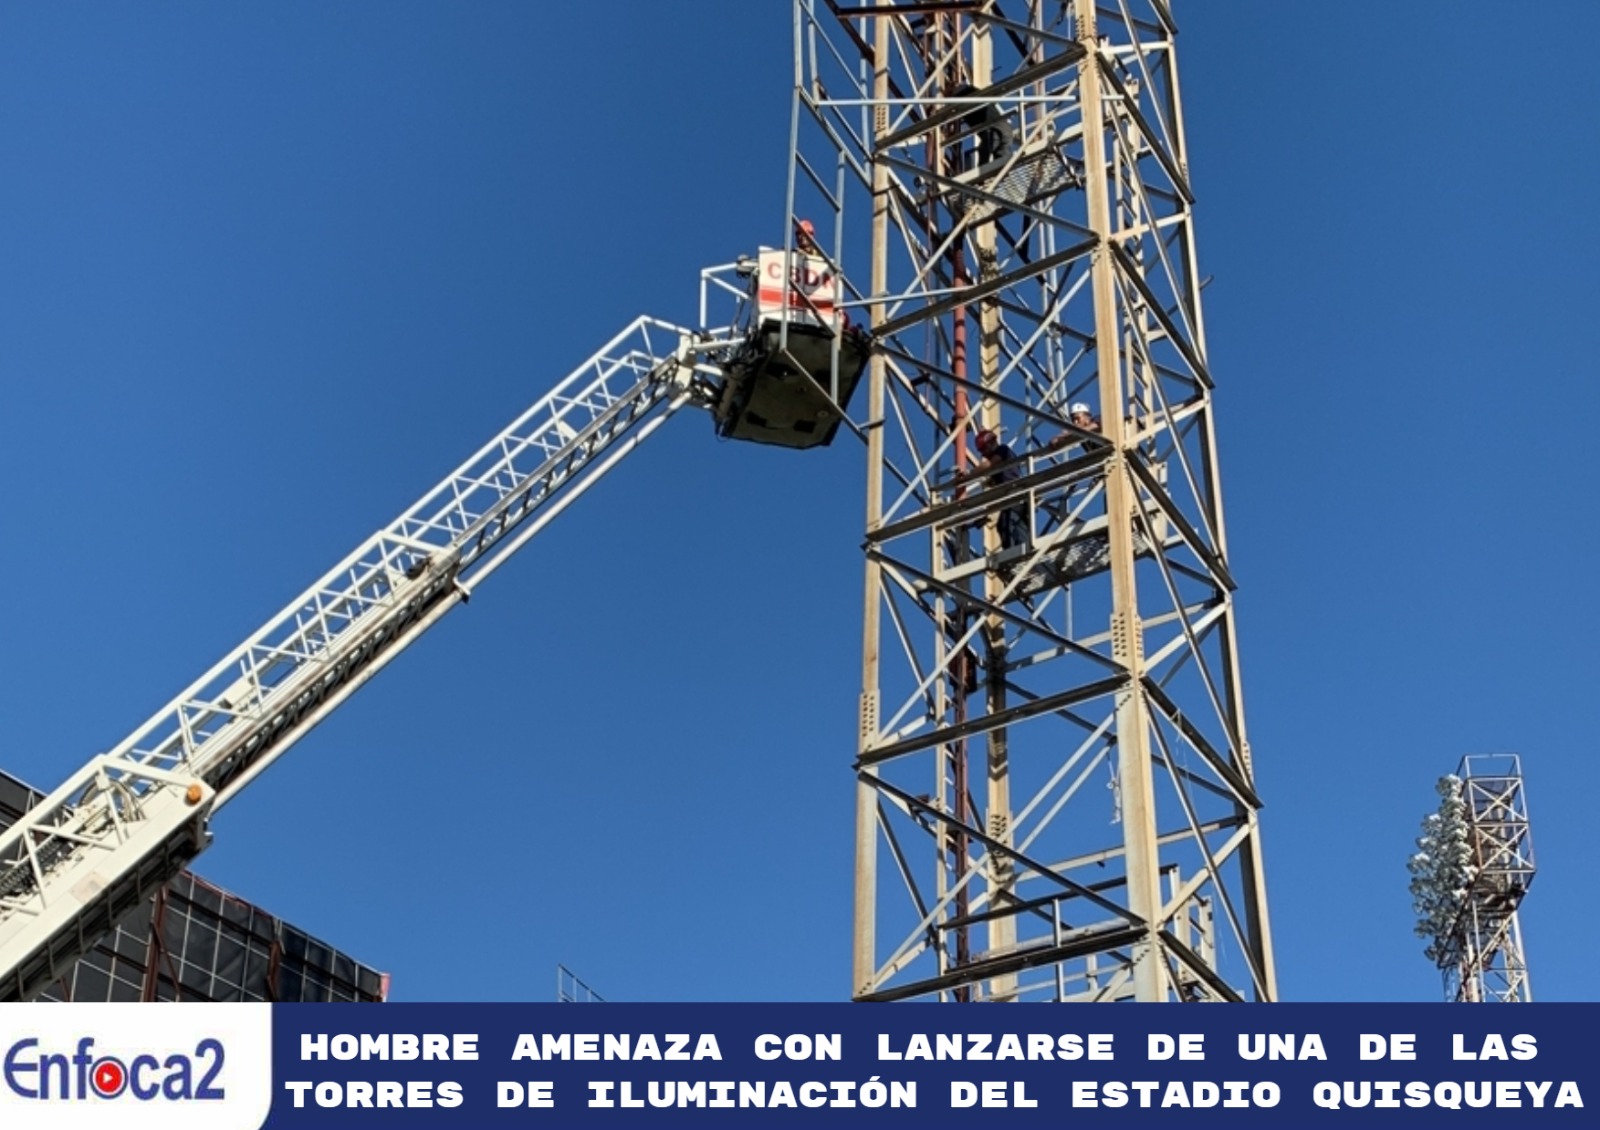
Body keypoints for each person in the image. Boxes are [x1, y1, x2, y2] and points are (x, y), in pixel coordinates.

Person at [972, 428, 1028, 550]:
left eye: (984, 449)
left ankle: (1018, 555)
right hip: (1013, 496)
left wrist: (969, 475)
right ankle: (1017, 554)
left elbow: (989, 465)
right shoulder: (1000, 465)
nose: (984, 454)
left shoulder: (1003, 450)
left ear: (991, 443)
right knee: (1006, 525)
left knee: (1009, 524)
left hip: (1015, 494)